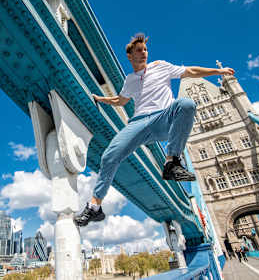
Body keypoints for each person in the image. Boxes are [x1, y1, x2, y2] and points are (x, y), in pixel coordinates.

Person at [74, 33, 235, 227]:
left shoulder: (160, 66)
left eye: (145, 50)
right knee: (109, 156)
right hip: (139, 122)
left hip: (163, 117)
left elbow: (190, 71)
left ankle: (172, 161)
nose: (144, 53)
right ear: (130, 56)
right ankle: (95, 207)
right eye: (138, 50)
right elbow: (120, 101)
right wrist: (100, 99)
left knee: (186, 104)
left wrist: (218, 72)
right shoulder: (130, 80)